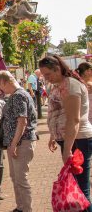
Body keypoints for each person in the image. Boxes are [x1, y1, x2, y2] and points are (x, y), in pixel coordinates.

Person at [40, 56, 92, 211]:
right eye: (44, 75)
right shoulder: (60, 85)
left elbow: (73, 119)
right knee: (77, 186)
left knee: (81, 189)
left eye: (48, 74)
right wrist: (52, 135)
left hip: (78, 140)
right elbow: (59, 113)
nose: (46, 78)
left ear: (58, 69)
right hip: (71, 139)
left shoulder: (70, 85)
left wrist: (68, 149)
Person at [0, 70, 37, 212]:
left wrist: (13, 144)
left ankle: (26, 208)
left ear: (4, 81)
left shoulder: (18, 96)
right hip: (16, 143)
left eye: (0, 85)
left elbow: (22, 121)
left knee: (20, 178)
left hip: (21, 143)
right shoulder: (17, 95)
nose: (0, 89)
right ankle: (21, 207)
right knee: (16, 177)